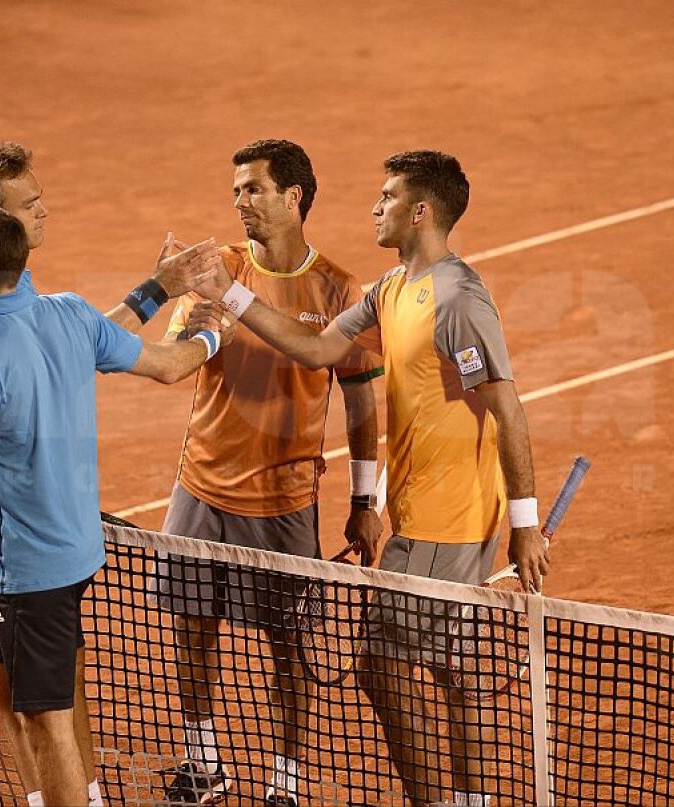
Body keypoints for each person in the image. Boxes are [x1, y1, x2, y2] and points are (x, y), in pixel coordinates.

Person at [191, 150, 550, 807]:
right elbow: (316, 347)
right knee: (455, 666)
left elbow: (508, 408)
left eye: (385, 198)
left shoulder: (458, 298)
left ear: (420, 211)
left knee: (380, 662)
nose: (372, 208)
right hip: (425, 509)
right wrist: (231, 294)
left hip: (449, 518)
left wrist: (526, 527)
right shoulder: (390, 290)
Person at [0, 142, 221, 807]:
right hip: (11, 532)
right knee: (28, 683)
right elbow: (89, 344)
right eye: (28, 204)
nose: (43, 211)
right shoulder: (20, 310)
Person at [154, 139, 384, 807]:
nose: (239, 201)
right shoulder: (219, 268)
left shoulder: (340, 289)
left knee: (290, 649)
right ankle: (203, 765)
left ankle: (284, 783)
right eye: (235, 191)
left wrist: (364, 499)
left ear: (294, 197)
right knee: (189, 629)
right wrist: (176, 299)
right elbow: (174, 357)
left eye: (253, 189)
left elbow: (364, 404)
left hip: (284, 500)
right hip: (200, 485)